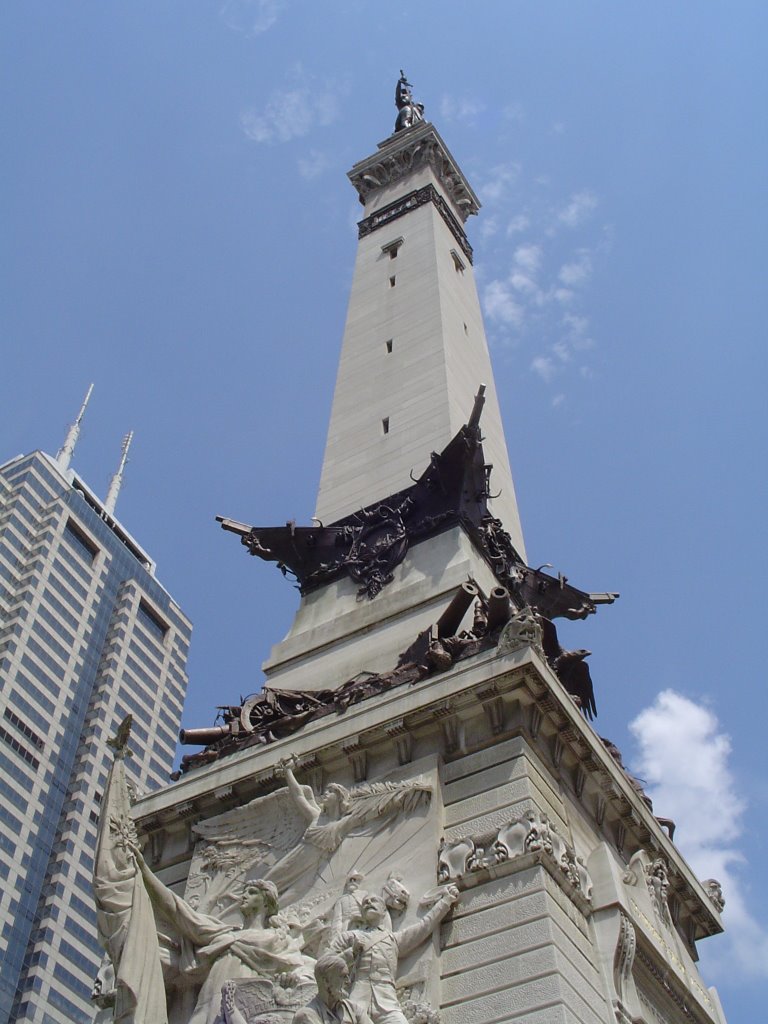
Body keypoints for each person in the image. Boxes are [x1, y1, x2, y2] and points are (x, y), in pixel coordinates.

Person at [131, 844, 313, 1024]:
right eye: (244, 892)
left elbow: (302, 970)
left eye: (252, 892)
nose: (244, 896)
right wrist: (144, 870)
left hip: (246, 1008)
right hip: (208, 1003)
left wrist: (290, 978)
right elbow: (179, 911)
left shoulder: (277, 940)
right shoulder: (223, 934)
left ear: (267, 903)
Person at [330, 889, 459, 1024]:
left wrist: (446, 901)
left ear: (384, 911)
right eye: (365, 903)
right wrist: (351, 952)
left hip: (386, 998)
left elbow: (424, 926)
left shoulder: (393, 940)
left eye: (373, 900)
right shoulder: (350, 937)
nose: (368, 902)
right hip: (358, 996)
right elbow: (326, 961)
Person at [293, 953, 374, 1024]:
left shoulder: (353, 1009)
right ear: (326, 981)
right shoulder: (306, 1015)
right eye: (343, 976)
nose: (348, 981)